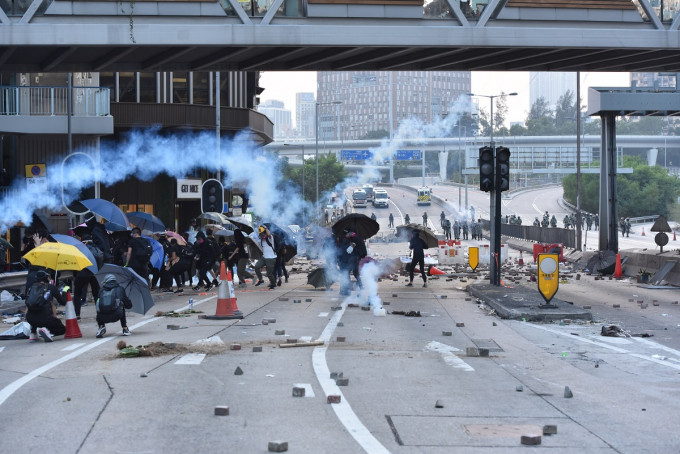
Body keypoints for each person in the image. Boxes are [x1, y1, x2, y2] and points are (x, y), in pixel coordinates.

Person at [25, 270, 67, 342]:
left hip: (30, 318)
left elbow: (27, 305)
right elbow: (63, 302)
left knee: (36, 314)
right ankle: (46, 330)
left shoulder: (31, 288)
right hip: (46, 319)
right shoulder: (51, 287)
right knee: (62, 330)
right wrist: (65, 290)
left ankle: (33, 334)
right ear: (47, 278)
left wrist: (26, 318)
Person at [254, 225, 277, 290]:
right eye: (260, 234)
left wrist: (266, 228)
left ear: (265, 233)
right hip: (264, 257)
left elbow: (269, 235)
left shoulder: (270, 238)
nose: (260, 235)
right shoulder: (261, 240)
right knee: (257, 267)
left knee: (269, 274)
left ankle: (273, 284)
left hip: (271, 258)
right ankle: (261, 280)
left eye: (261, 234)